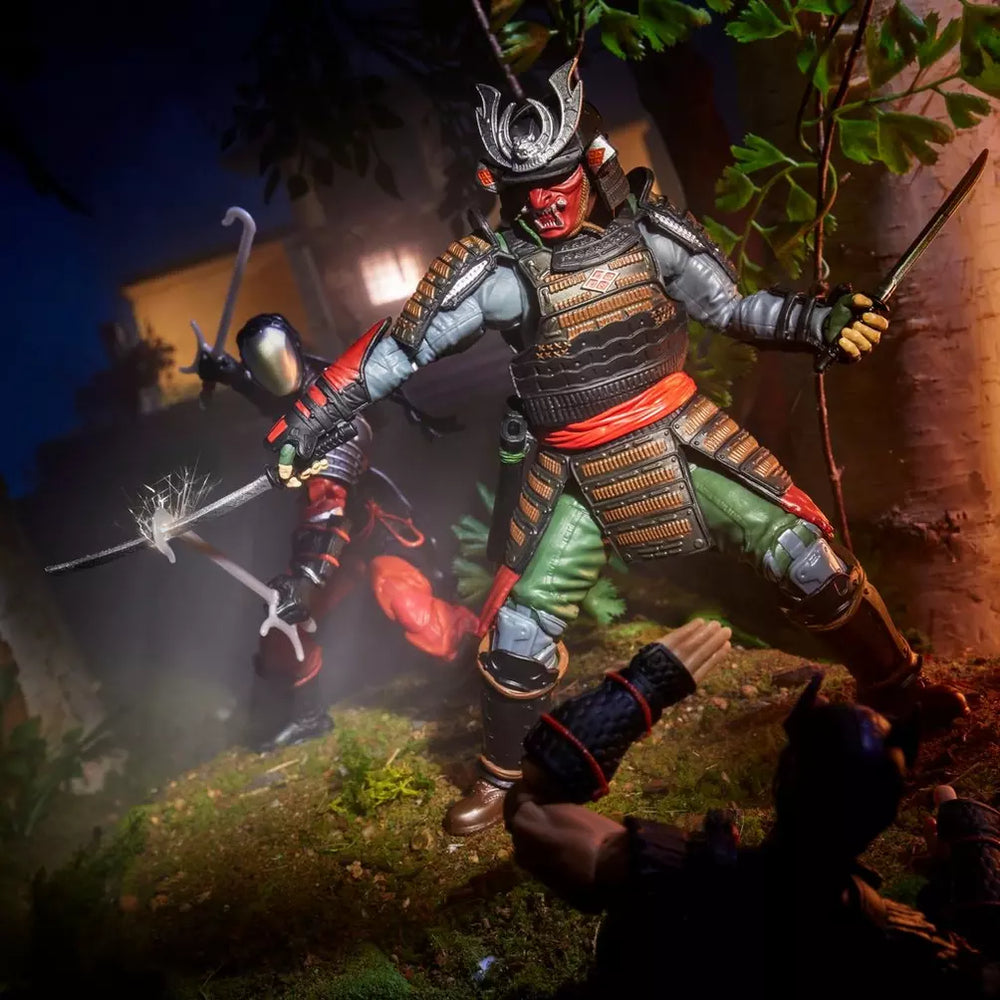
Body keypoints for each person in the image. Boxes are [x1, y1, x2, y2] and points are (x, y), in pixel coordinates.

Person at [261, 59, 965, 831]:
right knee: (519, 633)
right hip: (571, 467)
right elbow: (400, 348)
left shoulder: (651, 236)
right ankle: (501, 775)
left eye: (555, 180)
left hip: (679, 432)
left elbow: (734, 310)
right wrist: (311, 418)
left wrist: (817, 322)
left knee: (808, 560)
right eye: (523, 188)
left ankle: (899, 692)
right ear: (498, 185)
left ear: (584, 165)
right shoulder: (497, 271)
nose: (542, 201)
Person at [506, 620, 1000, 998]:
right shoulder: (891, 939)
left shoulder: (674, 871)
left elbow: (532, 809)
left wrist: (638, 692)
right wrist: (978, 862)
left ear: (781, 781)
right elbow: (985, 974)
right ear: (885, 817)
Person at [197, 313, 476, 750]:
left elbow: (329, 507)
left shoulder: (339, 416)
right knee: (285, 628)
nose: (271, 372)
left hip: (373, 530)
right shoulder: (303, 389)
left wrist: (304, 579)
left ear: (294, 350)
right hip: (331, 542)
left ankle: (488, 658)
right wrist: (232, 375)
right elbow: (280, 398)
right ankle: (306, 717)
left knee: (420, 619)